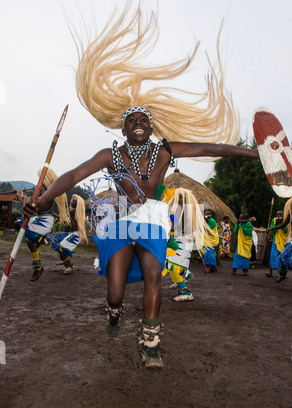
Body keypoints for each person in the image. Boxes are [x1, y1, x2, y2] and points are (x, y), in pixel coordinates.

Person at [23, 3, 260, 368]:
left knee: (153, 276)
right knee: (116, 291)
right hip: (119, 220)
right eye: (131, 119)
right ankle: (114, 311)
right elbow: (72, 177)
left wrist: (253, 153)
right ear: (123, 128)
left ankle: (151, 342)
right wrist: (41, 200)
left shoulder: (165, 151)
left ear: (151, 127)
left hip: (151, 219)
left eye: (143, 119)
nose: (137, 123)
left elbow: (210, 147)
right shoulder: (110, 154)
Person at [16, 168, 69, 281]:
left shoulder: (46, 193)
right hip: (42, 220)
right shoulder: (43, 191)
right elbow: (36, 204)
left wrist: (25, 198)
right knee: (29, 240)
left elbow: (34, 204)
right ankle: (38, 260)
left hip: (43, 222)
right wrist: (19, 195)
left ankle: (38, 265)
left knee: (26, 235)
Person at [161, 187, 207, 302]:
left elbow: (176, 226)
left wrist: (167, 224)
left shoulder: (180, 210)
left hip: (182, 239)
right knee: (176, 263)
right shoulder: (187, 210)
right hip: (186, 239)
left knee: (173, 264)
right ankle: (179, 281)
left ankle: (185, 291)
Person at [267, 196, 292, 291]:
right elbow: (283, 225)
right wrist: (272, 228)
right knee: (283, 257)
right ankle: (282, 274)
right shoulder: (291, 215)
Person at [48, 194, 88, 274]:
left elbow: (63, 218)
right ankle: (65, 260)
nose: (72, 202)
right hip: (73, 234)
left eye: (74, 201)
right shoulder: (77, 211)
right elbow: (66, 220)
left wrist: (52, 213)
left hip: (75, 234)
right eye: (72, 200)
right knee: (58, 243)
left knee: (60, 246)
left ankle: (69, 266)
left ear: (78, 203)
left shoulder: (73, 211)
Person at [265, 210, 288, 277]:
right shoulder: (274, 220)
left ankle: (282, 272)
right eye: (277, 215)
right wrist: (276, 224)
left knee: (283, 256)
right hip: (276, 240)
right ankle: (270, 270)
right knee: (273, 255)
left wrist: (281, 224)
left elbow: (286, 230)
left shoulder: (287, 220)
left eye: (281, 215)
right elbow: (272, 229)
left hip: (284, 240)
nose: (279, 216)